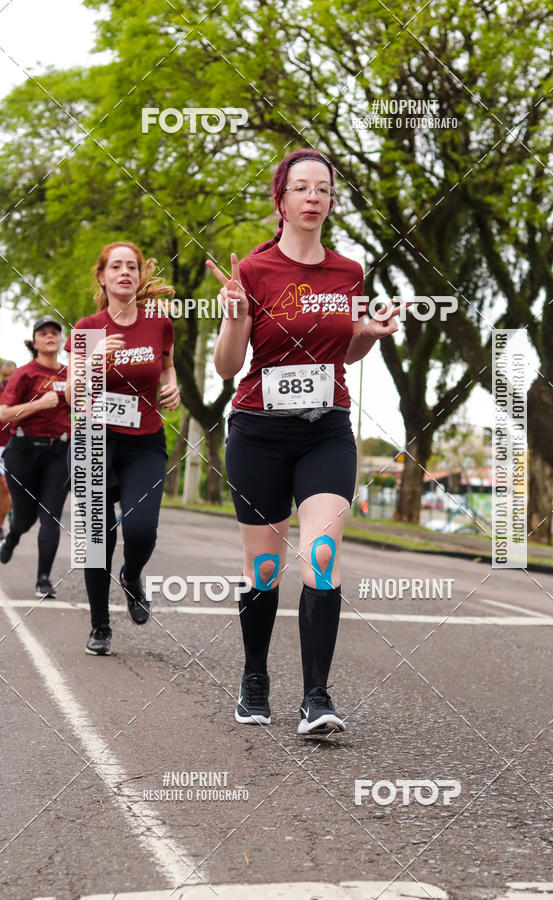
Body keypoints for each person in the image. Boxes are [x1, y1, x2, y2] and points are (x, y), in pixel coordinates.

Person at [207, 148, 399, 736]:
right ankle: (256, 679)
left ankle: (317, 698)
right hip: (260, 432)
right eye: (302, 188)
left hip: (327, 430)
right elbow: (225, 367)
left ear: (331, 201)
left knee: (321, 555)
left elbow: (346, 350)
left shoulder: (349, 272)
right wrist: (237, 314)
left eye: (324, 189)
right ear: (281, 200)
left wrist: (367, 333)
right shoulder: (255, 272)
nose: (314, 197)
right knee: (264, 567)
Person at [65, 241, 180, 656]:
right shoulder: (87, 328)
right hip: (93, 439)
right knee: (97, 537)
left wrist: (174, 386)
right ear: (103, 276)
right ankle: (99, 625)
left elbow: (166, 365)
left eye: (131, 266)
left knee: (140, 529)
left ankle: (132, 577)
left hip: (144, 441)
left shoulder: (159, 325)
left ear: (139, 276)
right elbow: (71, 395)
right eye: (116, 267)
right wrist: (94, 361)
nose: (125, 273)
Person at [0, 320, 70, 598]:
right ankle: (13, 535)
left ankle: (43, 579)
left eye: (54, 332)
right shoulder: (25, 374)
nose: (49, 336)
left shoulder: (70, 373)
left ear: (60, 340)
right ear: (35, 342)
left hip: (58, 454)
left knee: (50, 516)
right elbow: (4, 414)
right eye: (43, 333)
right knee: (25, 519)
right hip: (23, 452)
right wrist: (38, 405)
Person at [0, 360, 17, 538]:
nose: (7, 378)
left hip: (13, 444)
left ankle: (12, 510)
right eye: (5, 375)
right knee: (3, 486)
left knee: (8, 486)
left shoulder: (20, 391)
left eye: (10, 375)